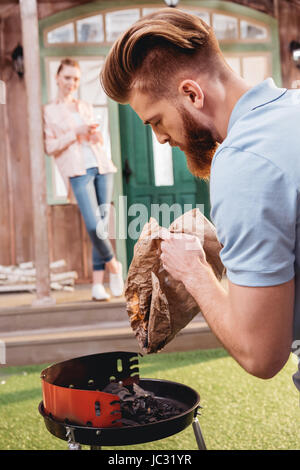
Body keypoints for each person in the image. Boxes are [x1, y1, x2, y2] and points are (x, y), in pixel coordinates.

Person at [100, 8, 300, 390]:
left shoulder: (244, 160)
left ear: (191, 94)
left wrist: (193, 271)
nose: (159, 138)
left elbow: (261, 353)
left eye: (156, 120)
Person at [44, 58, 124, 300]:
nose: (72, 83)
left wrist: (95, 135)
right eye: (67, 77)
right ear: (58, 78)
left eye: (76, 79)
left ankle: (98, 286)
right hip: (78, 172)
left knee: (101, 224)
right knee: (93, 226)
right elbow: (50, 146)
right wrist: (74, 133)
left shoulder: (86, 106)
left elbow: (98, 141)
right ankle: (114, 266)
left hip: (101, 167)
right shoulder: (49, 111)